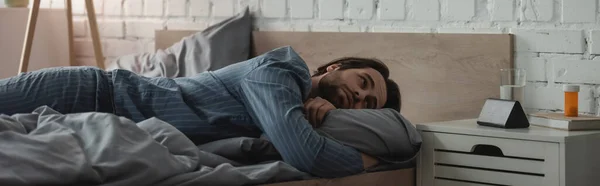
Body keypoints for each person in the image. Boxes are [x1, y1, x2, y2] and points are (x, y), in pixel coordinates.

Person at [0, 46, 401, 178]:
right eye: (362, 82)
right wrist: (366, 160)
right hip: (90, 91)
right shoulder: (281, 71)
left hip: (99, 122)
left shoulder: (298, 109)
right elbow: (306, 154)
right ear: (335, 68)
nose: (357, 96)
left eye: (368, 105)